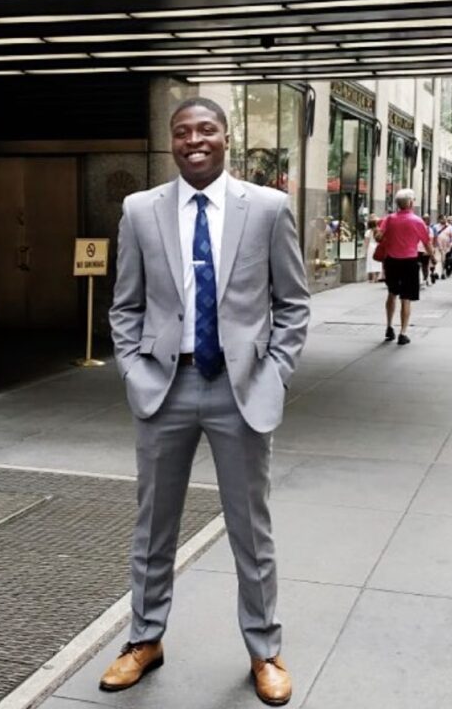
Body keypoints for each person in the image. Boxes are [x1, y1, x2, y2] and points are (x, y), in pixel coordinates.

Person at [104, 97, 310, 706]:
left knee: (252, 530)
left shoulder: (268, 208)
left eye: (206, 130)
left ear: (226, 137)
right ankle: (144, 639)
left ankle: (264, 650)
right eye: (183, 132)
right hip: (164, 387)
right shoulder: (140, 210)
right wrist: (135, 370)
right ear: (172, 141)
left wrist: (275, 372)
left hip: (239, 389)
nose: (194, 140)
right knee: (152, 526)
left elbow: (293, 303)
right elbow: (126, 304)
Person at [377, 188, 433, 346]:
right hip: (409, 262)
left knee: (392, 293)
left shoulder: (389, 219)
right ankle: (403, 332)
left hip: (392, 262)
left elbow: (379, 236)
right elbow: (427, 242)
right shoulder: (417, 221)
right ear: (410, 203)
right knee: (406, 298)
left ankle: (389, 326)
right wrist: (433, 257)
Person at [365, 214, 381, 282]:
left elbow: (366, 242)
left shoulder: (368, 232)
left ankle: (373, 277)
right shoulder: (379, 230)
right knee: (377, 262)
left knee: (371, 261)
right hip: (377, 246)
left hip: (371, 247)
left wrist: (366, 250)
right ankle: (377, 277)